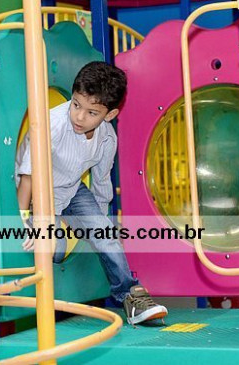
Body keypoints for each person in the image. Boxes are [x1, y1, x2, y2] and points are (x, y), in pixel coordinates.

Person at [15, 61, 168, 325]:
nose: (79, 117)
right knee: (56, 250)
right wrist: (24, 219)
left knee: (106, 234)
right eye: (76, 105)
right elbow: (28, 175)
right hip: (39, 192)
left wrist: (98, 225)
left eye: (91, 112)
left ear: (109, 115)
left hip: (72, 189)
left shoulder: (107, 139)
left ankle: (130, 297)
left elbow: (101, 181)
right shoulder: (52, 124)